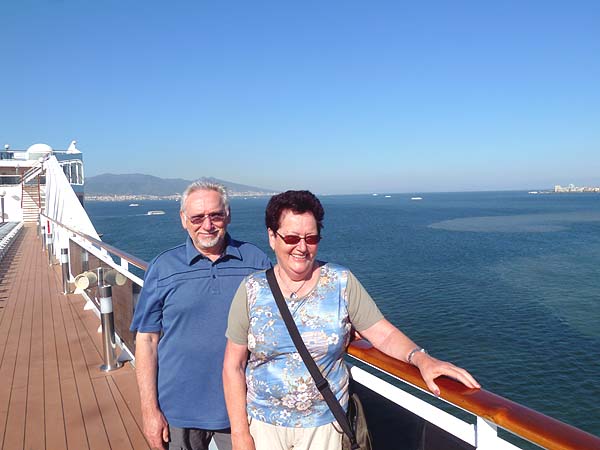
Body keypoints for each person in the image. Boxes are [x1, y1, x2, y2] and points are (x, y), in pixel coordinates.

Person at [223, 190, 480, 450]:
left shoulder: (340, 283)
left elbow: (383, 333)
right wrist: (239, 434)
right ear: (272, 237)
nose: (302, 247)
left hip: (325, 427)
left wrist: (421, 358)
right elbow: (233, 365)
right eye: (291, 237)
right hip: (263, 427)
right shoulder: (251, 290)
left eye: (311, 239)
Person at [131, 181, 271, 450]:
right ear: (184, 220)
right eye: (197, 217)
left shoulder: (255, 261)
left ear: (228, 215)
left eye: (215, 215)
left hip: (243, 407)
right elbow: (147, 340)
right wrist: (149, 411)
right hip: (178, 410)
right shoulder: (163, 267)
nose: (207, 225)